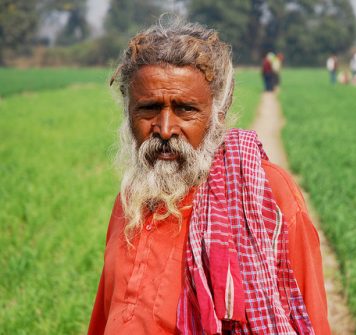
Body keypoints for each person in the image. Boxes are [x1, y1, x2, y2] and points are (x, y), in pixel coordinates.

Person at [88, 18, 330, 335]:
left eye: (185, 109)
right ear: (128, 111)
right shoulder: (131, 199)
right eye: (148, 108)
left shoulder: (266, 195)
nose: (164, 129)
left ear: (218, 112)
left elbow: (309, 320)